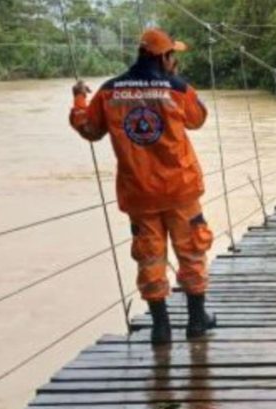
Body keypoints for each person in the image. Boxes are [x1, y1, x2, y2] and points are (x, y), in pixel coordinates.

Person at [69, 28, 214, 344]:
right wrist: (178, 81)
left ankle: (161, 326)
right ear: (164, 57)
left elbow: (89, 128)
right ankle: (197, 321)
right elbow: (199, 118)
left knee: (150, 257)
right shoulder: (176, 89)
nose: (175, 60)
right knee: (191, 252)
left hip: (139, 193)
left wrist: (80, 97)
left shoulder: (109, 92)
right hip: (180, 189)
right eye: (173, 55)